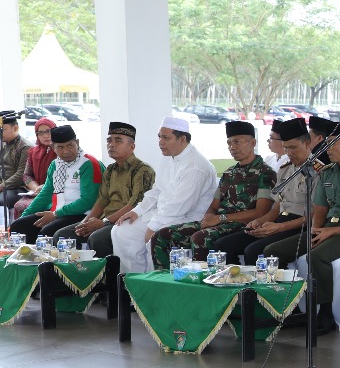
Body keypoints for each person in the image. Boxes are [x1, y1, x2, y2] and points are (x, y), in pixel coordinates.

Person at [263, 123, 340, 334]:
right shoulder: (328, 172)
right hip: (327, 227)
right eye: (326, 143)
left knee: (315, 257)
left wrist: (332, 232)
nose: (327, 148)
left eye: (333, 144)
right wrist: (315, 231)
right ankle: (288, 309)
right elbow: (320, 210)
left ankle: (324, 314)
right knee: (272, 251)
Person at [151, 120, 277, 267]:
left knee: (201, 238)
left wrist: (221, 218)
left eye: (237, 142)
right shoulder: (229, 173)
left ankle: (202, 284)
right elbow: (214, 205)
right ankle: (166, 282)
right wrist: (209, 217)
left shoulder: (266, 173)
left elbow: (260, 212)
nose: (232, 147)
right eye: (229, 143)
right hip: (219, 223)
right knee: (162, 236)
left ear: (252, 142)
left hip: (243, 225)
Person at [111, 117, 217, 274]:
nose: (160, 142)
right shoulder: (168, 157)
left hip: (187, 218)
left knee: (153, 238)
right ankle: (133, 283)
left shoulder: (196, 166)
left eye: (166, 138)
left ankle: (152, 287)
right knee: (121, 231)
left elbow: (180, 206)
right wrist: (137, 211)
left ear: (182, 139)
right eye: (159, 137)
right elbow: (157, 191)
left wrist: (152, 227)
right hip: (164, 213)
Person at [57, 122, 155, 256]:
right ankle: (76, 275)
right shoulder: (110, 170)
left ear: (132, 146)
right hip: (106, 220)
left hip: (126, 221)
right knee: (62, 235)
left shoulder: (142, 170)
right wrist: (84, 223)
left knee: (98, 239)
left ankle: (108, 276)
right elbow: (102, 200)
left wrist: (104, 222)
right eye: (109, 140)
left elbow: (135, 204)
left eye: (118, 141)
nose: (111, 144)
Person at [230, 119, 315, 265]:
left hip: (299, 226)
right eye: (286, 148)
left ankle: (264, 288)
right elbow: (276, 207)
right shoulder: (285, 169)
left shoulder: (318, 171)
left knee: (254, 251)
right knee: (225, 244)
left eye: (293, 148)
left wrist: (279, 227)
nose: (289, 153)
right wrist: (259, 222)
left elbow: (315, 213)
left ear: (307, 143)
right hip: (280, 221)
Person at [10, 126, 103, 240]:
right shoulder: (55, 164)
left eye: (70, 145)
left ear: (77, 143)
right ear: (53, 147)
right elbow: (46, 194)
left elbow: (88, 201)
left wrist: (56, 214)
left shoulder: (88, 164)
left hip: (82, 214)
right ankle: (30, 257)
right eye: (60, 147)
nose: (66, 151)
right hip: (58, 212)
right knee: (19, 226)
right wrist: (24, 216)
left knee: (46, 234)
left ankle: (45, 258)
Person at [13, 116, 56, 217]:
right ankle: (22, 232)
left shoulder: (61, 150)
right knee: (19, 205)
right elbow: (26, 175)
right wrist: (37, 188)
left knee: (31, 206)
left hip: (55, 192)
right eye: (40, 133)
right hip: (37, 192)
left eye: (48, 131)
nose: (45, 136)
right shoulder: (33, 152)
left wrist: (45, 189)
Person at [0, 111, 31, 221]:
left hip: (18, 187)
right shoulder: (3, 143)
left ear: (15, 128)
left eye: (3, 129)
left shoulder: (25, 146)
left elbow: (21, 174)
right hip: (4, 186)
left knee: (3, 200)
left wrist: (2, 186)